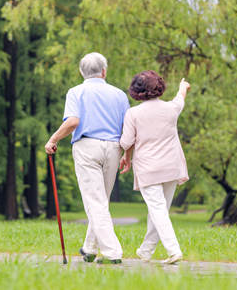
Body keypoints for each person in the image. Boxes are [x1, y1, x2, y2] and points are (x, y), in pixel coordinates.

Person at [45, 52, 130, 264]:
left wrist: (53, 139)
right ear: (104, 71)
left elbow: (73, 121)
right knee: (101, 201)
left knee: (96, 202)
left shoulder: (76, 92)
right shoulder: (119, 94)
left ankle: (112, 253)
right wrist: (128, 154)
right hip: (113, 147)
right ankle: (90, 249)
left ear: (81, 72)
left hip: (87, 146)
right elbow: (127, 128)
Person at [119, 70, 190, 264]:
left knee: (158, 210)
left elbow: (126, 141)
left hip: (148, 168)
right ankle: (146, 250)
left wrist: (125, 155)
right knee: (160, 211)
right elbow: (180, 98)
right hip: (171, 166)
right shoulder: (171, 108)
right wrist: (183, 86)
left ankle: (174, 250)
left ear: (136, 91)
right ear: (158, 87)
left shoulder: (133, 113)